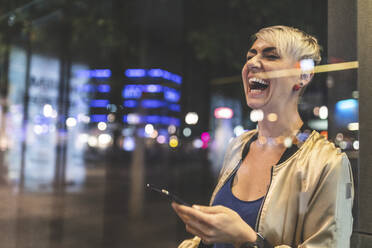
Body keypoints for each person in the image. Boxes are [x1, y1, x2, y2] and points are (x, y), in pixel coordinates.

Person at [172, 25, 354, 248]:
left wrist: (247, 239)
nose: (252, 63)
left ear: (303, 75)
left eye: (271, 56)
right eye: (251, 55)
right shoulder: (238, 145)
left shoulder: (327, 163)